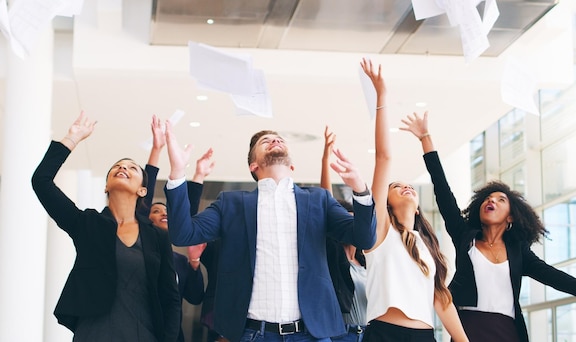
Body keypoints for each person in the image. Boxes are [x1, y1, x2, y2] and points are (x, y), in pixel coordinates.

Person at [402, 110, 576, 342]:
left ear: (511, 217)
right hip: (468, 326)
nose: (491, 201)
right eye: (488, 199)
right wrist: (425, 138)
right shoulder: (465, 236)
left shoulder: (518, 251)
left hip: (508, 329)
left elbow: (547, 273)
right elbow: (443, 191)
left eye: (501, 200)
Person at [162, 119, 377, 342]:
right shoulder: (231, 203)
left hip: (311, 334)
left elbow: (364, 238)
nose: (274, 140)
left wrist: (360, 190)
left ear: (292, 165)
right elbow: (183, 234)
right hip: (253, 334)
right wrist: (178, 173)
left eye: (279, 140)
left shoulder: (318, 200)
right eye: (265, 141)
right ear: (253, 166)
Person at [31, 111, 180, 342]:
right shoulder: (87, 225)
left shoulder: (156, 237)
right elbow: (41, 181)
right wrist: (71, 139)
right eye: (117, 167)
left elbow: (170, 298)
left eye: (132, 168)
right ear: (106, 186)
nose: (123, 168)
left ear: (143, 190)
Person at [358, 59, 468, 342]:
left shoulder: (428, 245)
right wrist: (382, 96)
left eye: (410, 186)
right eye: (397, 187)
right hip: (384, 335)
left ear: (418, 206)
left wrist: (463, 339)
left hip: (425, 337)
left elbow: (441, 299)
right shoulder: (381, 231)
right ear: (386, 202)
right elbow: (384, 157)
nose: (406, 187)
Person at [142, 115, 214, 342]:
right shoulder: (137, 249)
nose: (163, 213)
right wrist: (156, 149)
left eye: (166, 212)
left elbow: (195, 298)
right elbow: (146, 193)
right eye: (155, 211)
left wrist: (194, 263)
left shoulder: (179, 261)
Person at [321, 126, 368, 342]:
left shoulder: (365, 261)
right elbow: (326, 201)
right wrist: (325, 159)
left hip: (369, 334)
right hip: (341, 335)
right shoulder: (333, 255)